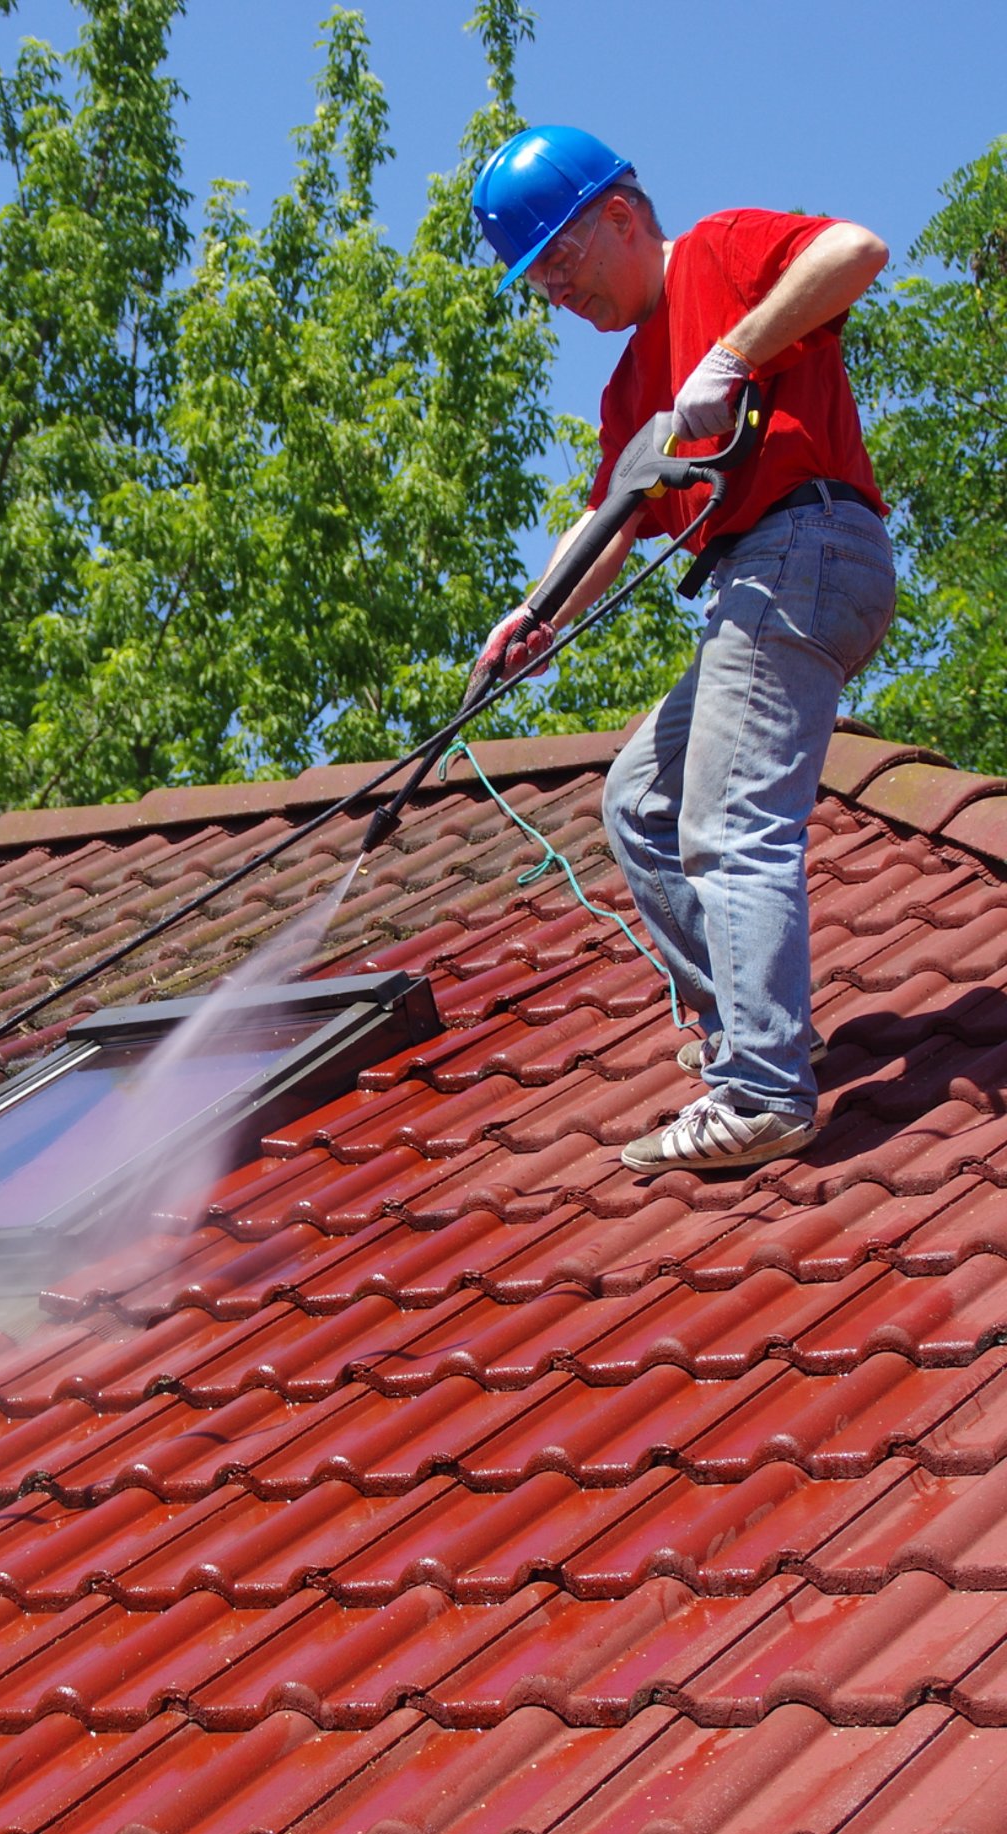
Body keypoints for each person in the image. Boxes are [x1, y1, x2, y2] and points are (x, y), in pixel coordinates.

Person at [469, 125, 895, 1175]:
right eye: (537, 281)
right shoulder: (629, 391)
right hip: (761, 577)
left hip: (808, 544)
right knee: (639, 805)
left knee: (726, 817)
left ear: (620, 215)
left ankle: (763, 1089)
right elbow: (615, 516)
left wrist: (736, 352)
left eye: (559, 260)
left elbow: (859, 249)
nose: (556, 292)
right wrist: (536, 615)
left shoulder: (719, 251)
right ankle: (747, 1037)